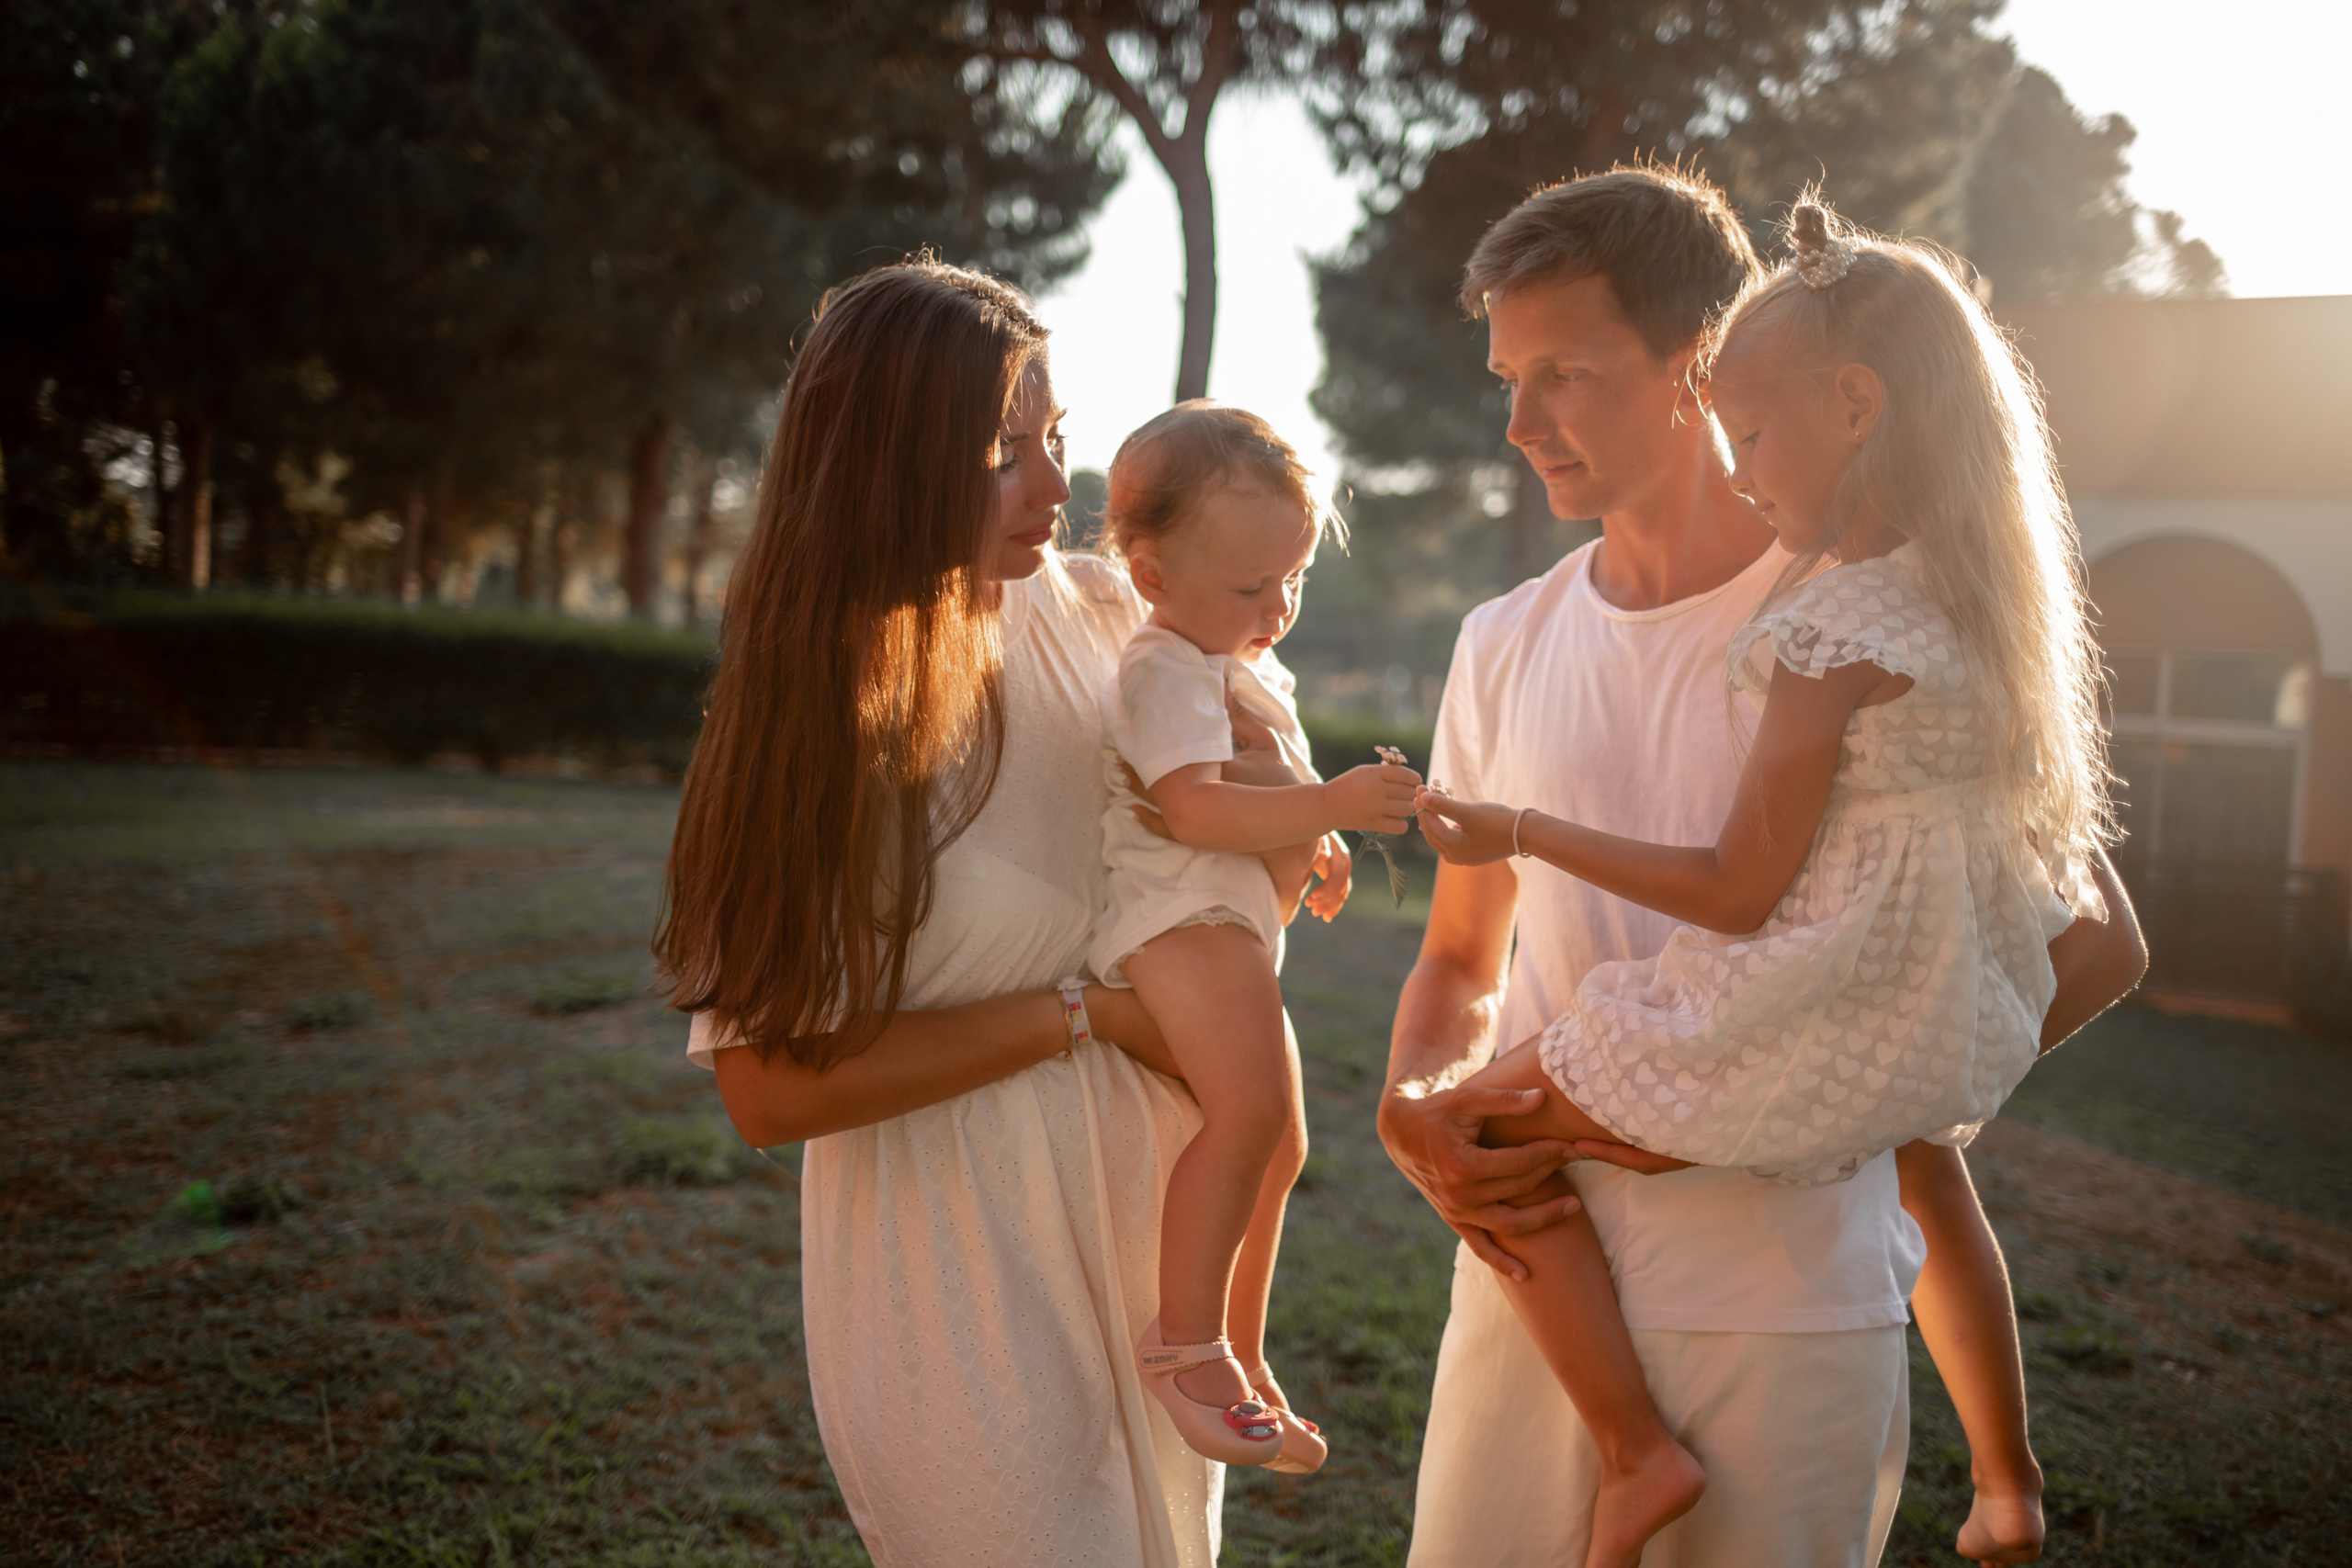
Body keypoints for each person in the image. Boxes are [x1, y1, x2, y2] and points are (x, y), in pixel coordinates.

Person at [1378, 166, 2148, 1568]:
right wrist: (1410, 1102)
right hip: (1533, 1290)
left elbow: (2090, 939)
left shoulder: (1865, 617)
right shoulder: (1500, 638)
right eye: (1509, 374)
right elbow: (1455, 957)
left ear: (1698, 366)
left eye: (1566, 373)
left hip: (1784, 1311)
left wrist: (1848, 1087)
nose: (1518, 421)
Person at [655, 259, 1316, 1568]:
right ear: (889, 462)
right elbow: (765, 1089)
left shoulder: (1113, 614)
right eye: (1001, 452)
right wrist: (1080, 1014)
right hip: (959, 1268)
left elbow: (1229, 823)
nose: (1056, 488)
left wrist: (1296, 807)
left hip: (1137, 1259)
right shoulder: (810, 716)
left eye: (1055, 438)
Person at [1091, 401, 1418, 1472]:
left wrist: (1307, 840)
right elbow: (1192, 811)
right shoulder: (1168, 669)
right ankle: (1184, 1345)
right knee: (1249, 1113)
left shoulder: (1237, 662)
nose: (1276, 607)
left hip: (1223, 919)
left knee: (1282, 1143)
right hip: (1177, 920)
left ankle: (1238, 1345)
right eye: (1248, 587)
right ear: (1149, 574)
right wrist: (1330, 809)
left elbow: (1250, 792)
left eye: (1293, 579)